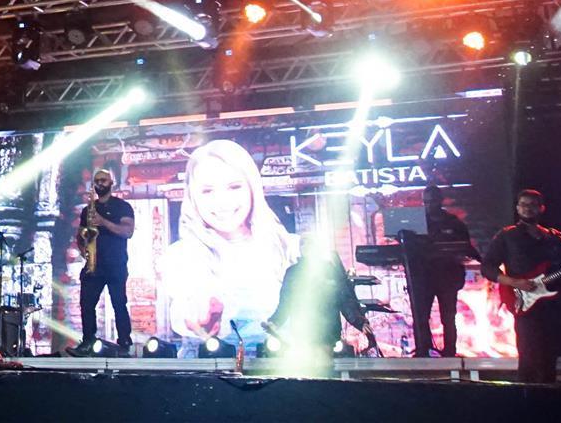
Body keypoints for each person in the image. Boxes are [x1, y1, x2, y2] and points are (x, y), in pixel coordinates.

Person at [161, 139, 299, 354]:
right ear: (192, 195)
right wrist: (201, 321)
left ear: (252, 187)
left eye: (234, 187)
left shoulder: (289, 247)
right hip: (208, 367)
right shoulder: (180, 256)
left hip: (281, 365)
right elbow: (183, 312)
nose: (222, 201)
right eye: (207, 191)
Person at [482, 189, 561, 384]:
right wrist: (514, 282)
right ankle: (529, 396)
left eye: (532, 205)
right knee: (530, 356)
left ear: (541, 208)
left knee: (550, 357)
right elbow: (487, 267)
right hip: (524, 303)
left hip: (553, 306)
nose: (528, 209)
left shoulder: (555, 238)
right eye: (523, 204)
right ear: (518, 208)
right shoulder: (507, 236)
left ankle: (547, 395)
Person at [402, 182, 480, 357]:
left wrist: (483, 261)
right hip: (422, 277)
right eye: (426, 202)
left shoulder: (454, 223)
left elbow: (466, 247)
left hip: (447, 277)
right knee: (421, 317)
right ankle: (423, 351)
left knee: (448, 317)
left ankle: (450, 352)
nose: (430, 205)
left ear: (441, 200)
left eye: (433, 201)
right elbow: (406, 247)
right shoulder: (415, 224)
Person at [266, 246, 376, 368]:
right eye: (303, 243)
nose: (305, 247)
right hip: (303, 330)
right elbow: (286, 302)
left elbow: (344, 299)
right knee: (305, 368)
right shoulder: (293, 272)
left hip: (326, 331)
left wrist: (359, 322)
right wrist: (275, 322)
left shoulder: (330, 271)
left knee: (323, 367)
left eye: (309, 243)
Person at [73, 168, 135, 353]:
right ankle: (88, 341)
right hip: (94, 264)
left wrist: (103, 222)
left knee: (119, 303)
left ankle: (124, 341)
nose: (100, 183)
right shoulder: (88, 210)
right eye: (97, 181)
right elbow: (81, 235)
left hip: (116, 264)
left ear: (111, 183)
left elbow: (127, 232)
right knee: (86, 304)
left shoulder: (122, 207)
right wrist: (84, 250)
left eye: (103, 180)